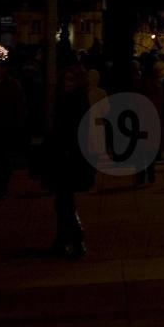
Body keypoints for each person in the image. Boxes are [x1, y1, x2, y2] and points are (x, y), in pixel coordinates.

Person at [43, 64, 95, 259]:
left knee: (64, 200)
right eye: (65, 80)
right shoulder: (68, 98)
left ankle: (74, 238)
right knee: (63, 200)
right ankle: (64, 239)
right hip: (65, 154)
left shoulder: (77, 100)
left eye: (71, 80)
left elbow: (74, 130)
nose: (67, 84)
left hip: (69, 155)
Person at [0, 59, 26, 199]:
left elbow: (18, 107)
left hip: (5, 127)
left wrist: (16, 124)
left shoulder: (12, 85)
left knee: (4, 158)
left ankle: (1, 186)